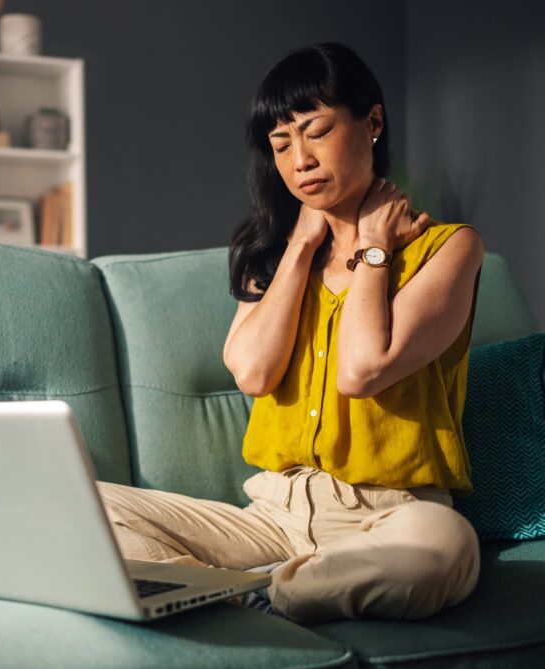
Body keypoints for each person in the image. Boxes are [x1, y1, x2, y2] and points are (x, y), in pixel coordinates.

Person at [94, 42, 483, 624]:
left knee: (443, 551)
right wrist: (300, 245)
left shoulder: (449, 249)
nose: (300, 159)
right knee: (84, 505)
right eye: (281, 144)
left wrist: (374, 249)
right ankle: (247, 589)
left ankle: (257, 593)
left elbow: (363, 369)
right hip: (272, 518)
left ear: (373, 122)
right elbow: (253, 373)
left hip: (390, 518)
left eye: (317, 131)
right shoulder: (274, 261)